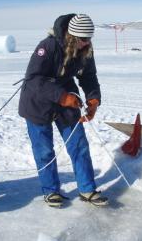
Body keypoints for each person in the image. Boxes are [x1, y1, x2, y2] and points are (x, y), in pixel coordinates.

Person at [19, 13, 108, 207]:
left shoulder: (85, 49)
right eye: (83, 39)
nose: (86, 43)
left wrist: (93, 100)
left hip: (67, 100)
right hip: (37, 102)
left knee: (79, 145)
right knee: (44, 151)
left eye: (89, 39)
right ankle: (51, 191)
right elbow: (33, 79)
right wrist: (62, 96)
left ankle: (87, 189)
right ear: (71, 36)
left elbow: (88, 76)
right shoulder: (48, 47)